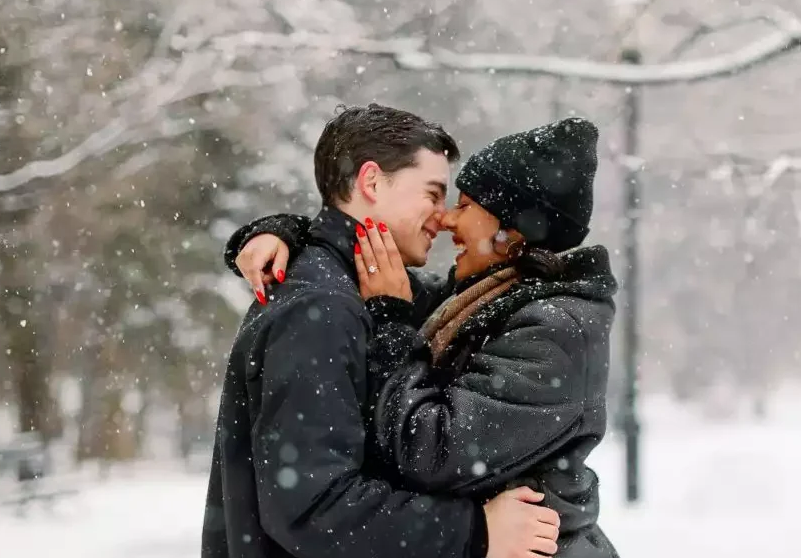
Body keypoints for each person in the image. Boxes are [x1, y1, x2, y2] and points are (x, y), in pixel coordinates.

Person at [230, 117, 619, 558]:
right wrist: (285, 231)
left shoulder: (553, 329)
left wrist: (478, 534)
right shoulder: (474, 299)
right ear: (371, 182)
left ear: (512, 232)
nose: (448, 217)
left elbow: (429, 449)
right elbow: (311, 505)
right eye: (436, 195)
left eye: (464, 205)